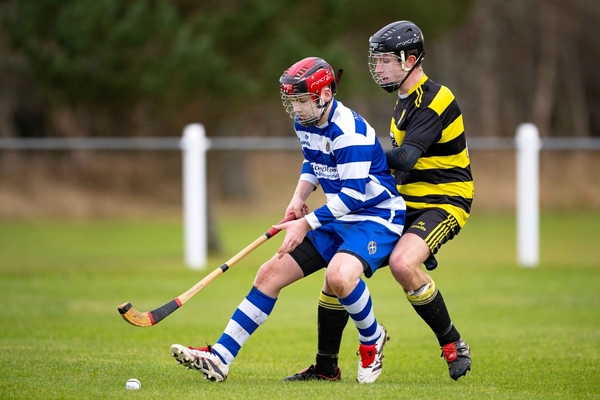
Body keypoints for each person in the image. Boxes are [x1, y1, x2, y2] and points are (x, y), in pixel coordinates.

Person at [170, 56, 407, 383]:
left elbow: (355, 195)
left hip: (376, 216)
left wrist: (306, 223)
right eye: (292, 101)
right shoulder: (306, 122)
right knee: (269, 274)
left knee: (339, 276)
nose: (296, 109)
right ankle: (220, 357)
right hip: (339, 214)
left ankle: (371, 339)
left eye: (302, 101)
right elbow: (313, 163)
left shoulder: (348, 131)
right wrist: (298, 198)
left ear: (324, 96)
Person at [284, 21, 474, 383]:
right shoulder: (401, 100)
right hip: (404, 201)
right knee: (339, 272)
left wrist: (356, 152)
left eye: (386, 60)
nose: (379, 68)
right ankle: (326, 367)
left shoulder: (436, 98)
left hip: (445, 200)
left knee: (404, 264)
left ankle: (453, 344)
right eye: (377, 60)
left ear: (411, 59)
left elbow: (404, 159)